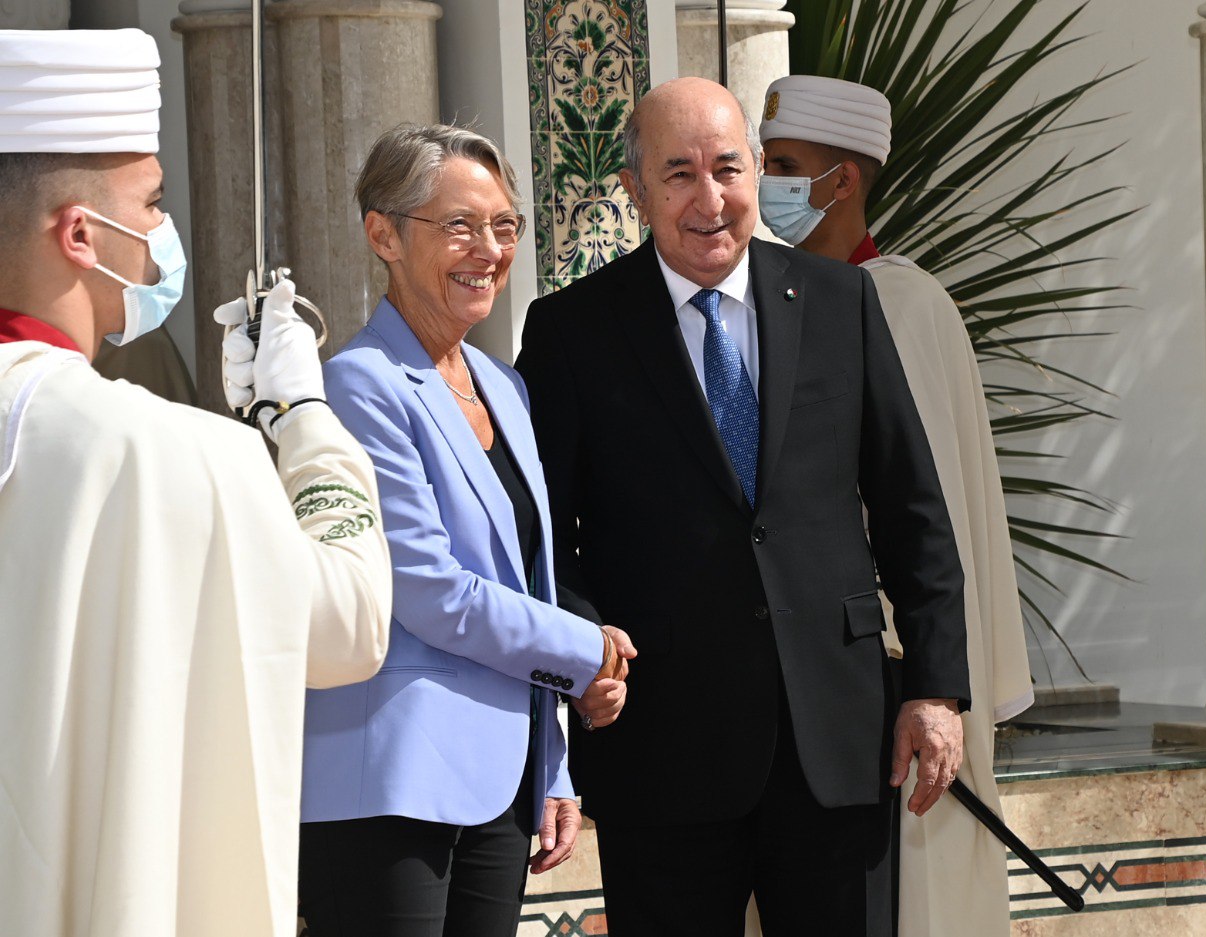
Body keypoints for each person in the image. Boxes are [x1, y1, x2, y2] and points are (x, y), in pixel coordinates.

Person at [516, 77, 970, 937]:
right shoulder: (572, 331)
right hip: (662, 743)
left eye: (728, 167)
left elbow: (913, 505)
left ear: (758, 170)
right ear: (635, 189)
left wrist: (937, 691)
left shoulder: (842, 303)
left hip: (836, 737)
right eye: (679, 173)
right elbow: (543, 534)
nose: (710, 197)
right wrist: (584, 644)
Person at [0, 28, 392, 937]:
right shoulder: (183, 455)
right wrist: (301, 416)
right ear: (79, 233)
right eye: (154, 203)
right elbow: (348, 620)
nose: (162, 237)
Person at [297, 123, 636, 937]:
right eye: (458, 225)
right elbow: (432, 592)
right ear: (382, 233)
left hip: (500, 780)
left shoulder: (503, 385)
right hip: (390, 781)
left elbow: (527, 579)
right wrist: (588, 646)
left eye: (504, 225)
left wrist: (551, 768)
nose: (487, 248)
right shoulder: (359, 384)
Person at [759, 74, 1035, 937]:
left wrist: (930, 682)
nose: (767, 187)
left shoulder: (899, 301)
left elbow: (927, 517)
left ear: (843, 182)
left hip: (891, 679)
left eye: (784, 166)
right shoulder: (769, 304)